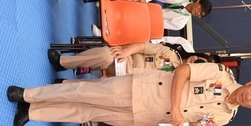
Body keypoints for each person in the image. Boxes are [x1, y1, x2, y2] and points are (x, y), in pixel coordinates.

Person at [7, 62, 251, 126]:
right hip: (145, 89)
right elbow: (183, 71)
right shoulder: (221, 74)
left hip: (145, 117)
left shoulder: (226, 117)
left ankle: (31, 113)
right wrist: (175, 107)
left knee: (86, 114)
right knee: (84, 92)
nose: (250, 98)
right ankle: (27, 94)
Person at [47, 42, 219, 77]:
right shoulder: (171, 53)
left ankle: (64, 86)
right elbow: (143, 47)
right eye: (199, 58)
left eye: (199, 65)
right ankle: (63, 63)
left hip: (130, 84)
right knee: (106, 54)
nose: (195, 60)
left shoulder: (178, 81)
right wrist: (125, 51)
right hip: (123, 62)